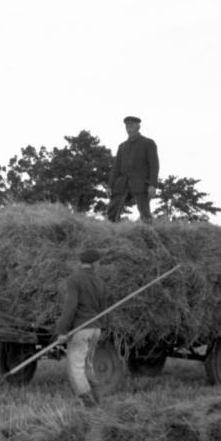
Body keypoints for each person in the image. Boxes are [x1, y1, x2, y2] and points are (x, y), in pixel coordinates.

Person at [54, 248, 108, 406]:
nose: (99, 265)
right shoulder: (100, 282)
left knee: (75, 367)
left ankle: (89, 403)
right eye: (98, 262)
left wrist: (62, 331)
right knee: (87, 365)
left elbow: (70, 307)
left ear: (82, 263)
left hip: (81, 329)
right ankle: (98, 399)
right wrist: (101, 327)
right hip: (95, 329)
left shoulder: (74, 280)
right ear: (94, 263)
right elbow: (103, 310)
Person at [106, 115, 159, 223]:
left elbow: (154, 165)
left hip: (141, 183)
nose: (129, 128)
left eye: (131, 126)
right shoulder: (122, 146)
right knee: (112, 211)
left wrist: (152, 184)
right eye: (127, 126)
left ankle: (149, 234)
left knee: (145, 213)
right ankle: (111, 230)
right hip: (122, 183)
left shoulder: (148, 143)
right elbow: (116, 168)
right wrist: (110, 186)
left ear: (138, 127)